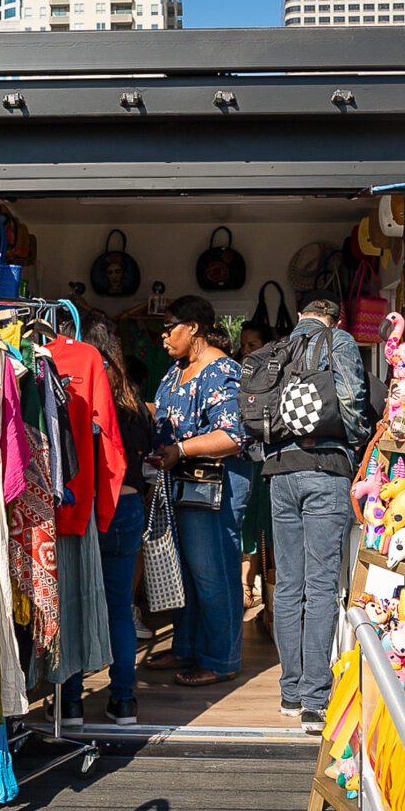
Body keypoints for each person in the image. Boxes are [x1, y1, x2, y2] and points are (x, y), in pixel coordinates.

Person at [264, 290, 369, 733]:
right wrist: (359, 439)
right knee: (322, 586)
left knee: (288, 585)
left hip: (280, 474)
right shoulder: (338, 341)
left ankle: (289, 692)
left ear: (301, 315)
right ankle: (314, 702)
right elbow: (350, 399)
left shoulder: (279, 349)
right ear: (334, 316)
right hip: (325, 470)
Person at [145, 296, 250, 687]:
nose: (163, 335)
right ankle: (186, 646)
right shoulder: (176, 371)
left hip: (213, 491)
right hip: (180, 487)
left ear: (194, 328)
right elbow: (165, 414)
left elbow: (233, 435)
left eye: (170, 326)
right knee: (185, 572)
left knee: (213, 575)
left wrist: (181, 450)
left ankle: (221, 659)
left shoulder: (222, 371)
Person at [59, 311, 153, 725]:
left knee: (75, 603)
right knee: (119, 606)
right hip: (126, 506)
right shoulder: (134, 404)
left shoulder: (69, 391)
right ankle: (123, 700)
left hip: (81, 507)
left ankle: (72, 702)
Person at [236, 323, 276, 613]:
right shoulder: (238, 377)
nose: (247, 351)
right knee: (248, 524)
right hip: (246, 459)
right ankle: (245, 586)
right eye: (244, 345)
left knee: (272, 524)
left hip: (270, 459)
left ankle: (272, 587)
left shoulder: (277, 375)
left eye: (253, 345)